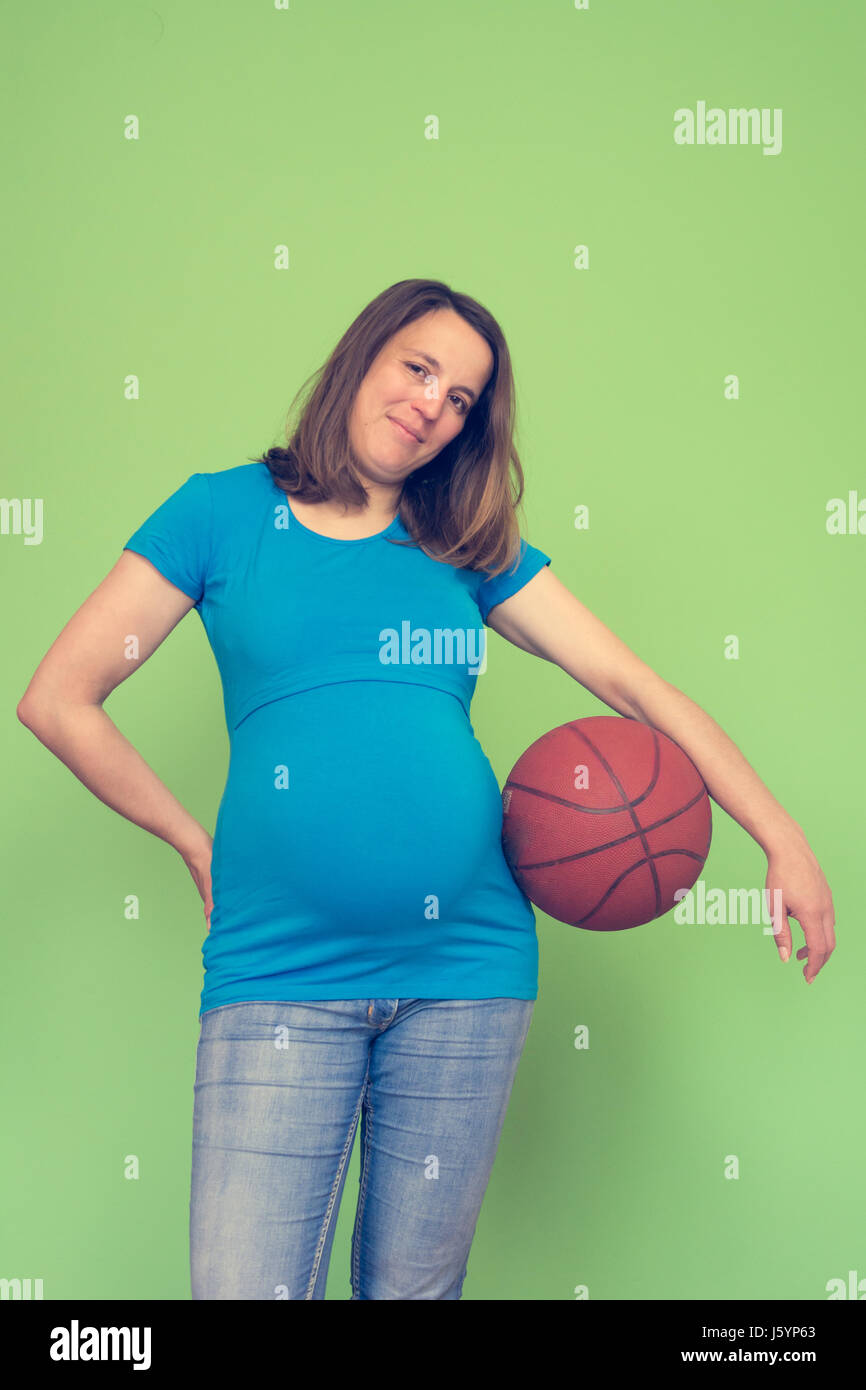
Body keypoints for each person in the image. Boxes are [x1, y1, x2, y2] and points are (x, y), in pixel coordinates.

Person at [17, 278, 835, 1301]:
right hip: (279, 965)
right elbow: (58, 699)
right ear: (364, 354)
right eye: (418, 369)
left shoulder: (464, 547)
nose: (432, 405)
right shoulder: (219, 514)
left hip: (467, 969)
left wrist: (779, 835)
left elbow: (632, 684)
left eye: (461, 399)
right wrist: (190, 838)